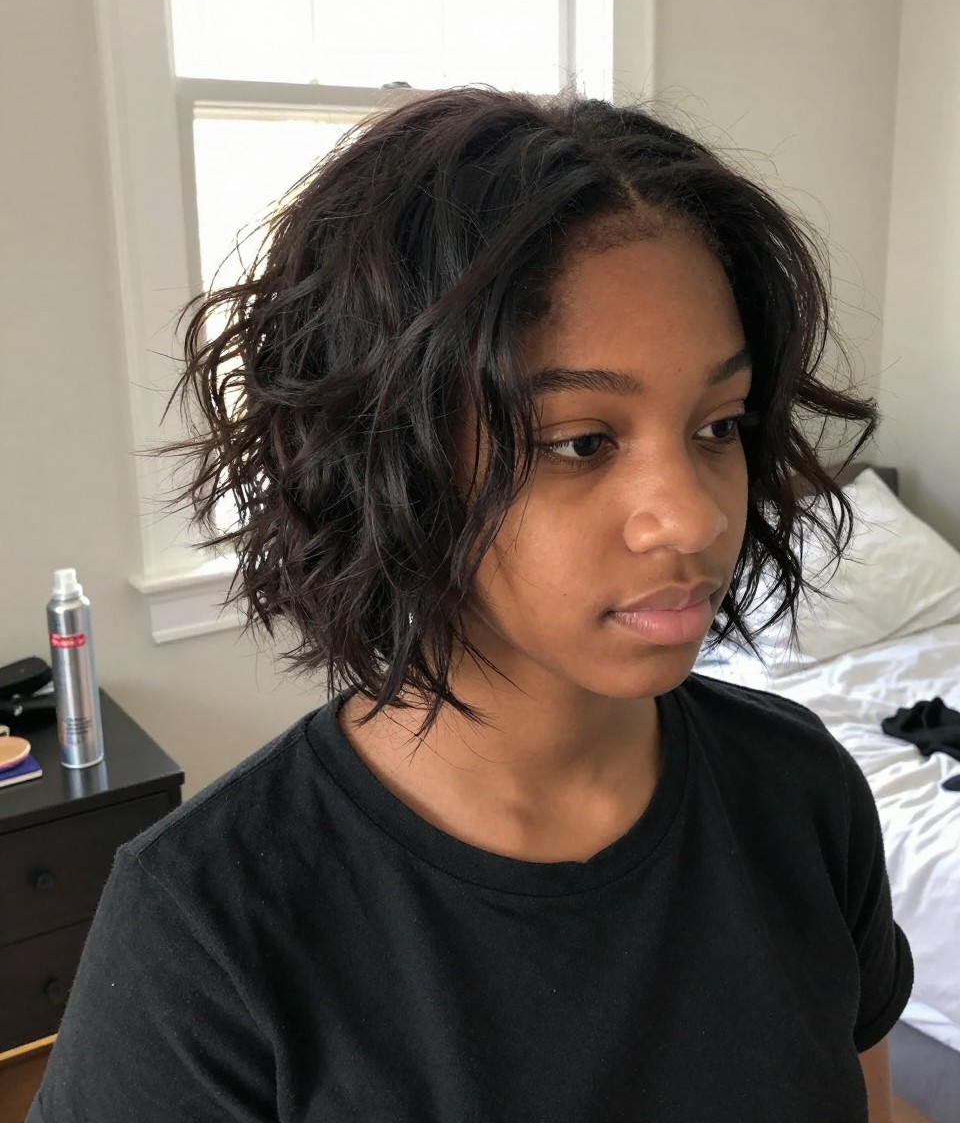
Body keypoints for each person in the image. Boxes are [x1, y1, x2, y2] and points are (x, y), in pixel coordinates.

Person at [28, 87, 913, 1122]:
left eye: (718, 424)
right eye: (583, 441)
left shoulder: (802, 794)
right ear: (388, 461)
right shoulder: (209, 927)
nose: (692, 516)